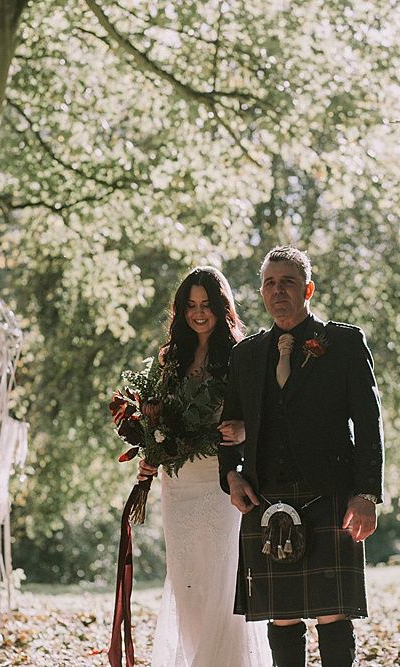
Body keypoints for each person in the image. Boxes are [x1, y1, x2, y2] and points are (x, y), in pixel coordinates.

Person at [217, 246, 384, 667]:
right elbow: (230, 429)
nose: (278, 291)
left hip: (329, 493)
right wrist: (232, 477)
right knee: (283, 617)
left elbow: (368, 423)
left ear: (308, 288)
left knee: (333, 612)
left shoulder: (344, 343)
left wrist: (365, 494)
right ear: (261, 292)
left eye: (288, 282)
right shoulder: (247, 355)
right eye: (269, 284)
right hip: (266, 496)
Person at [137, 267, 272, 667]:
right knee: (187, 581)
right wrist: (150, 447)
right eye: (191, 306)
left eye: (206, 305)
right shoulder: (169, 358)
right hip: (176, 482)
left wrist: (245, 430)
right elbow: (160, 417)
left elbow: (263, 414)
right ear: (180, 310)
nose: (199, 314)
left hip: (219, 477)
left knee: (222, 579)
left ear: (221, 308)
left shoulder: (240, 355)